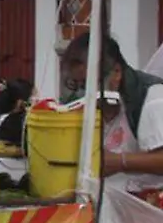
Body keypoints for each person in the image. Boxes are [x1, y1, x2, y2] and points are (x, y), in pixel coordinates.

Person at [64, 34, 163, 181]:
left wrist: (120, 161)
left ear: (116, 73)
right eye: (76, 84)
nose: (84, 93)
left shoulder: (153, 98)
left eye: (88, 84)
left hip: (146, 199)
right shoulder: (81, 101)